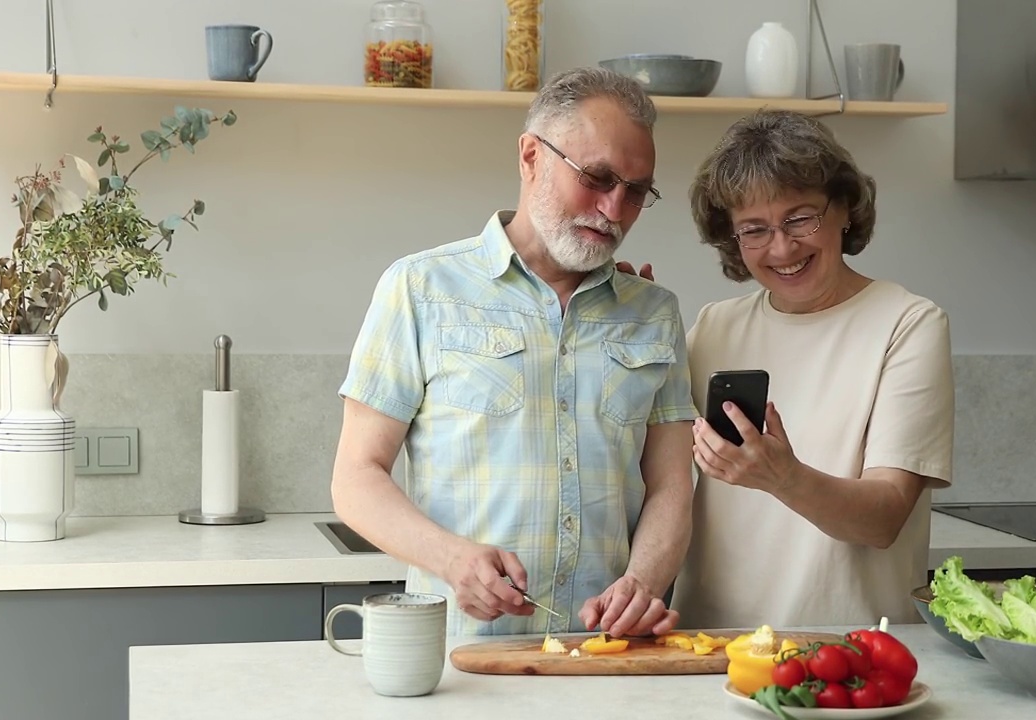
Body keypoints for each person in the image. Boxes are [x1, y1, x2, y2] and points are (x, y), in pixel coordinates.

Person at [331, 66, 698, 639]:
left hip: (605, 654)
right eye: (597, 178)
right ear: (531, 156)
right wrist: (453, 560)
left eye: (635, 191)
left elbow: (672, 485)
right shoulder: (421, 289)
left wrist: (643, 584)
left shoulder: (655, 313)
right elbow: (356, 477)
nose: (614, 209)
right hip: (460, 656)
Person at [667, 109, 955, 629]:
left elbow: (884, 517)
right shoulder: (712, 328)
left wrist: (784, 477)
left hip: (849, 653)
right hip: (710, 647)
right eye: (754, 229)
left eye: (800, 218)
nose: (782, 248)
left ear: (844, 207)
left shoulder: (907, 324)